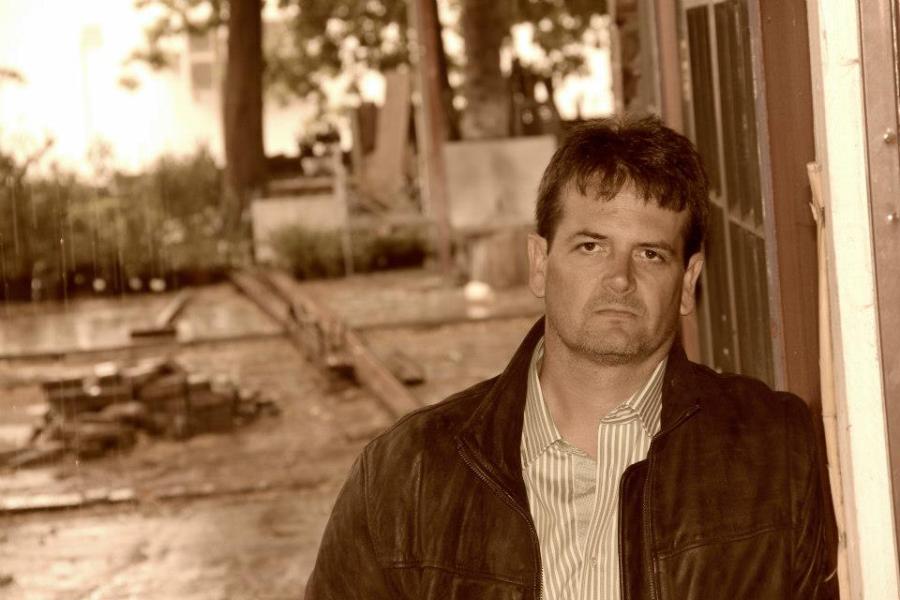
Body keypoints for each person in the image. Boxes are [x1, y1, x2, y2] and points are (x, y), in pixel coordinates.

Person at [305, 116, 836, 599]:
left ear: (687, 283)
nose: (619, 279)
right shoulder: (406, 474)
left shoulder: (776, 452)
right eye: (591, 246)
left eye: (650, 254)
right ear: (539, 263)